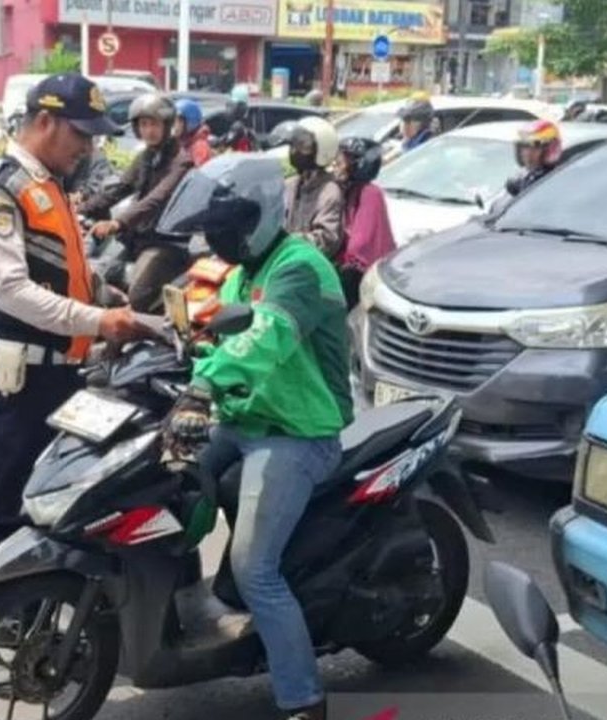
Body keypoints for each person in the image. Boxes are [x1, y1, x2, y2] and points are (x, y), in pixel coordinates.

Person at [159, 153, 354, 720]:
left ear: (260, 217)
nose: (218, 240)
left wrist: (203, 387)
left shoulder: (299, 269)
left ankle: (303, 699)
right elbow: (224, 338)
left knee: (256, 568)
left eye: (225, 229)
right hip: (246, 419)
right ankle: (185, 610)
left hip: (299, 432)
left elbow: (265, 338)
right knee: (165, 492)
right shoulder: (246, 271)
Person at [0, 73, 154, 617]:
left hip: (58, 372)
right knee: (3, 504)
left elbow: (65, 267)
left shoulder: (50, 183)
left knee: (49, 501)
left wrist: (110, 297)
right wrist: (99, 321)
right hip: (15, 378)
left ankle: (29, 624)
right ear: (44, 121)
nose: (87, 147)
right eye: (80, 134)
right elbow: (11, 290)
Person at [80, 93, 195, 312]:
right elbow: (119, 189)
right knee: (97, 280)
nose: (148, 130)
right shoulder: (146, 156)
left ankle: (148, 328)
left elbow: (156, 199)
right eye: (143, 124)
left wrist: (117, 223)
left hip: (164, 244)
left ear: (167, 125)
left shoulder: (181, 162)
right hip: (137, 239)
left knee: (137, 296)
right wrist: (77, 209)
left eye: (154, 124)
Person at [333, 137, 395, 307]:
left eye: (342, 161)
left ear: (359, 164)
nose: (337, 165)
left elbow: (360, 243)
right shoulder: (347, 189)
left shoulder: (370, 193)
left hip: (360, 274)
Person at [276, 116, 344, 260]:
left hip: (309, 264)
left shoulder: (329, 191)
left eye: (303, 147)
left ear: (321, 149)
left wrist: (289, 242)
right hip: (285, 258)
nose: (295, 151)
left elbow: (326, 239)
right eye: (294, 145)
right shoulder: (291, 184)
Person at [504, 119, 563, 198]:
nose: (526, 153)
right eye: (522, 146)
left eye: (534, 146)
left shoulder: (552, 181)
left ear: (551, 148)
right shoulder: (524, 177)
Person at [174, 97, 213, 167]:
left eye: (180, 121)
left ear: (191, 122)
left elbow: (201, 171)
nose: (175, 125)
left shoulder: (200, 147)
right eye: (173, 120)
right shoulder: (181, 142)